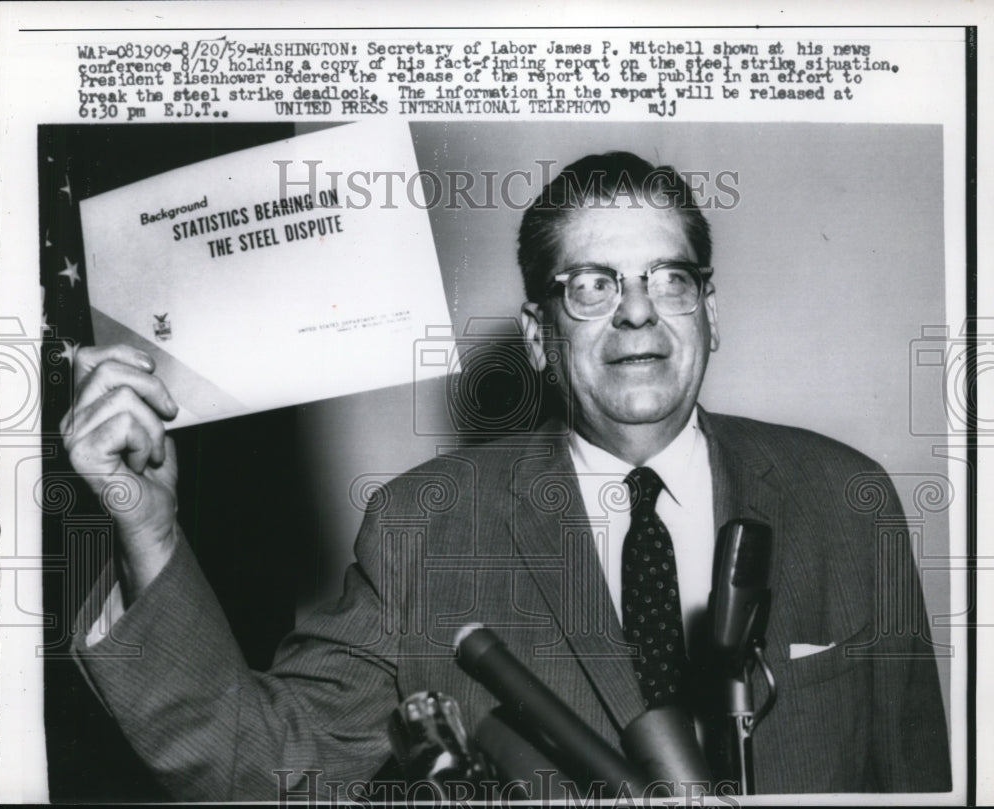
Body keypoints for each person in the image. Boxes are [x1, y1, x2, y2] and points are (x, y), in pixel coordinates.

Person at [66, 152, 951, 799]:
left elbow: (920, 781)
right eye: (592, 285)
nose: (637, 310)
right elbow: (260, 766)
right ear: (537, 335)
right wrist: (149, 529)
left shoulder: (847, 497)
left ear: (708, 312)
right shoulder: (426, 525)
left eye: (667, 278)